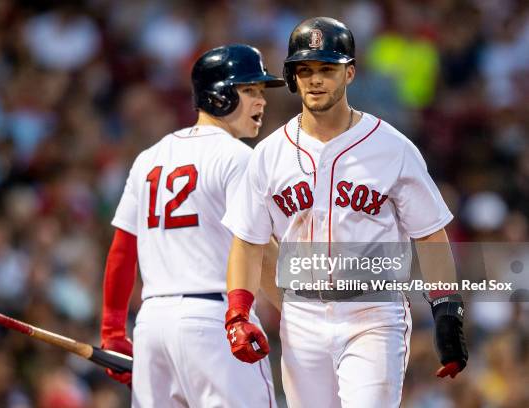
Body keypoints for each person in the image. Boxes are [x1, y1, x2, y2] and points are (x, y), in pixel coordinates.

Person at [222, 17, 468, 407]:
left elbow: (430, 234)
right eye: (305, 69)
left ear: (349, 73)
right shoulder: (269, 153)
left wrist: (447, 312)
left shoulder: (392, 147)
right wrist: (238, 311)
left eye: (326, 69)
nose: (315, 79)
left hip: (373, 311)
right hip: (300, 314)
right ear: (292, 77)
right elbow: (248, 241)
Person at [100, 44, 284, 407]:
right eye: (249, 91)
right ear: (219, 96)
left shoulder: (149, 158)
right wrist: (302, 316)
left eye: (261, 92)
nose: (261, 102)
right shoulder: (237, 157)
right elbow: (257, 250)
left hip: (153, 325)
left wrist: (113, 331)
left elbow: (122, 249)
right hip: (214, 322)